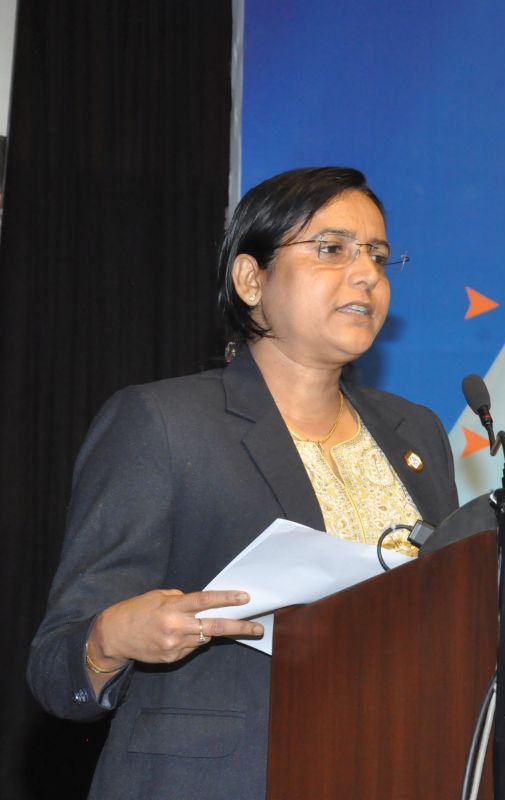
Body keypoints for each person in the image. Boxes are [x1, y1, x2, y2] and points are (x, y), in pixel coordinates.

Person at [27, 167, 460, 799]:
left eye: (377, 255)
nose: (367, 274)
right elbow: (55, 665)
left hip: (396, 771)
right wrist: (112, 638)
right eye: (331, 248)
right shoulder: (164, 423)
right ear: (251, 279)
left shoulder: (416, 433)